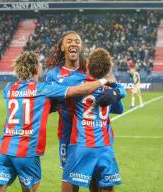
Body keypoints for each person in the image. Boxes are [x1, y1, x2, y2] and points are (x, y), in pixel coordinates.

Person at [0, 51, 116, 192]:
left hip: (4, 149)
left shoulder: (8, 89)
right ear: (36, 68)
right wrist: (104, 80)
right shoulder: (43, 89)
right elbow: (78, 90)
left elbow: (27, 104)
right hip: (26, 151)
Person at [45, 31, 123, 192]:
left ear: (81, 47)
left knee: (93, 177)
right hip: (68, 134)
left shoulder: (89, 71)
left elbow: (114, 86)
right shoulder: (53, 74)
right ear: (62, 47)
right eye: (69, 41)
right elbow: (48, 101)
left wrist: (116, 91)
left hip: (85, 135)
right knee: (72, 180)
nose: (73, 43)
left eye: (77, 41)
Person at [61, 48, 125, 192]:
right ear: (108, 68)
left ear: (88, 63)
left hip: (81, 145)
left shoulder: (77, 82)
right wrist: (117, 89)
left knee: (69, 185)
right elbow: (119, 109)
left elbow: (60, 90)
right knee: (106, 188)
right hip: (104, 147)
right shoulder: (109, 87)